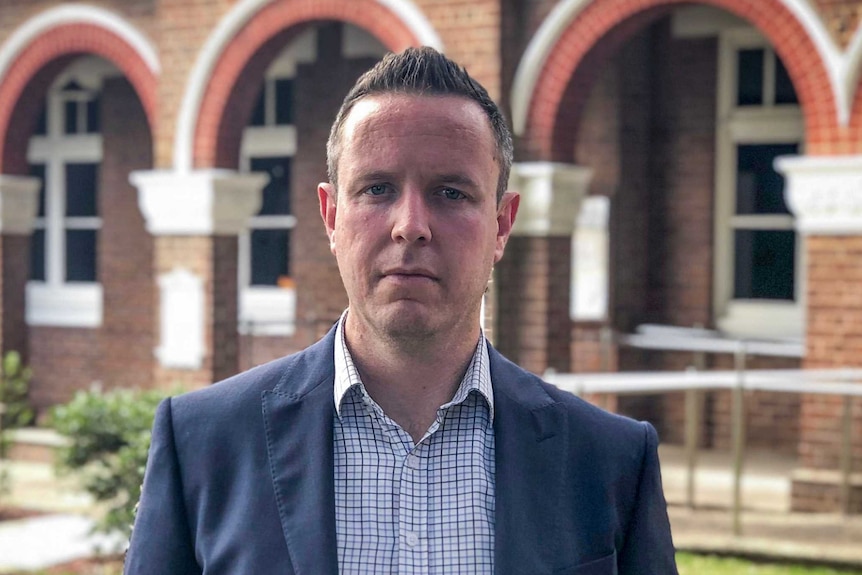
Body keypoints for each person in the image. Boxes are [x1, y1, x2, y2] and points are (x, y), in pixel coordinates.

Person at [124, 46, 678, 575]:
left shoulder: (609, 462)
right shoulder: (203, 443)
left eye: (451, 193)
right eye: (378, 188)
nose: (410, 224)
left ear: (503, 224)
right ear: (331, 215)